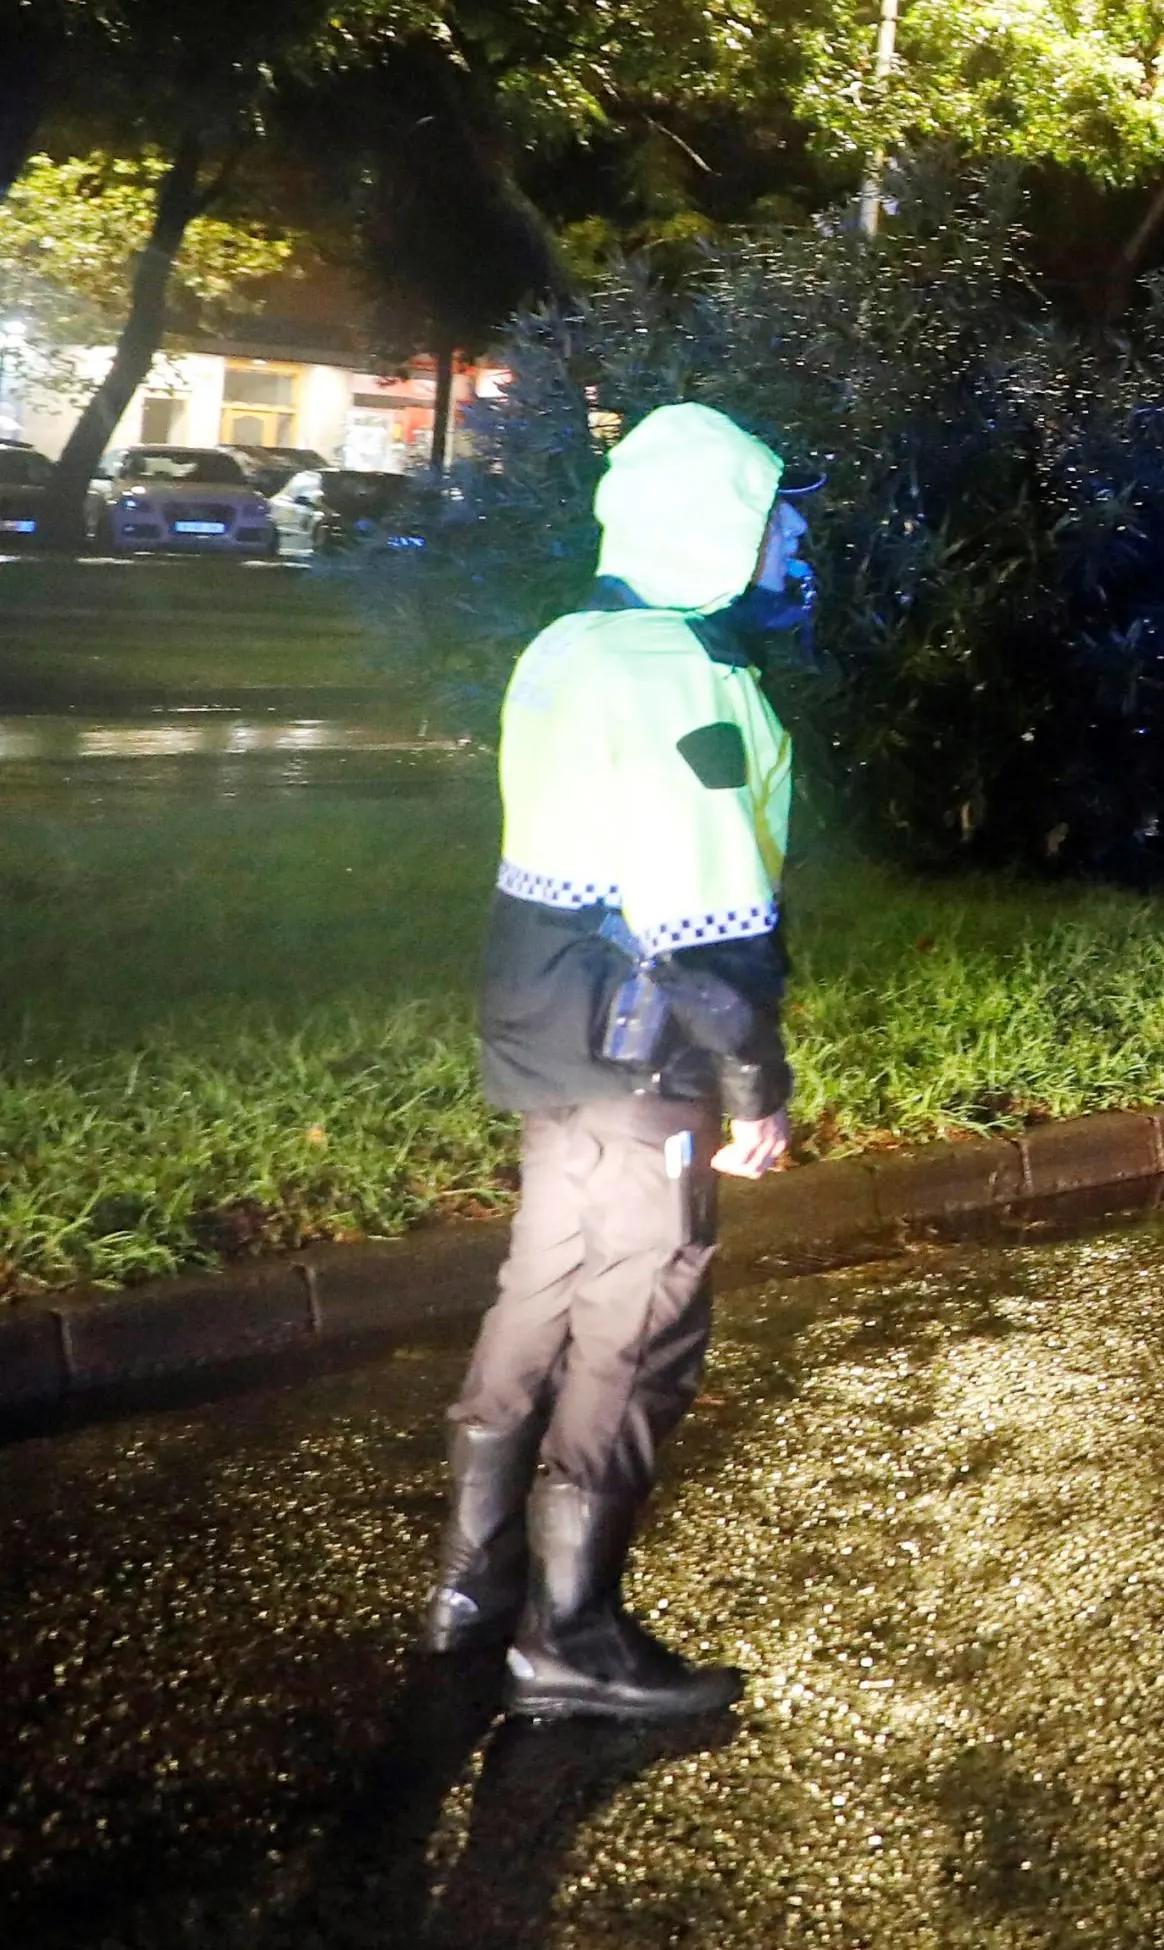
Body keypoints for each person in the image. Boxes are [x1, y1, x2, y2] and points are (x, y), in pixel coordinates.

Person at [420, 402, 810, 1722]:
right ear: (716, 528)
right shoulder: (684, 681)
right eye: (776, 521)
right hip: (643, 1046)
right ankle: (570, 1633)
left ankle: (470, 1587)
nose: (794, 544)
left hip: (544, 1027)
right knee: (641, 1322)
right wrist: (754, 1085)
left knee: (542, 1288)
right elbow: (705, 912)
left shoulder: (567, 648)